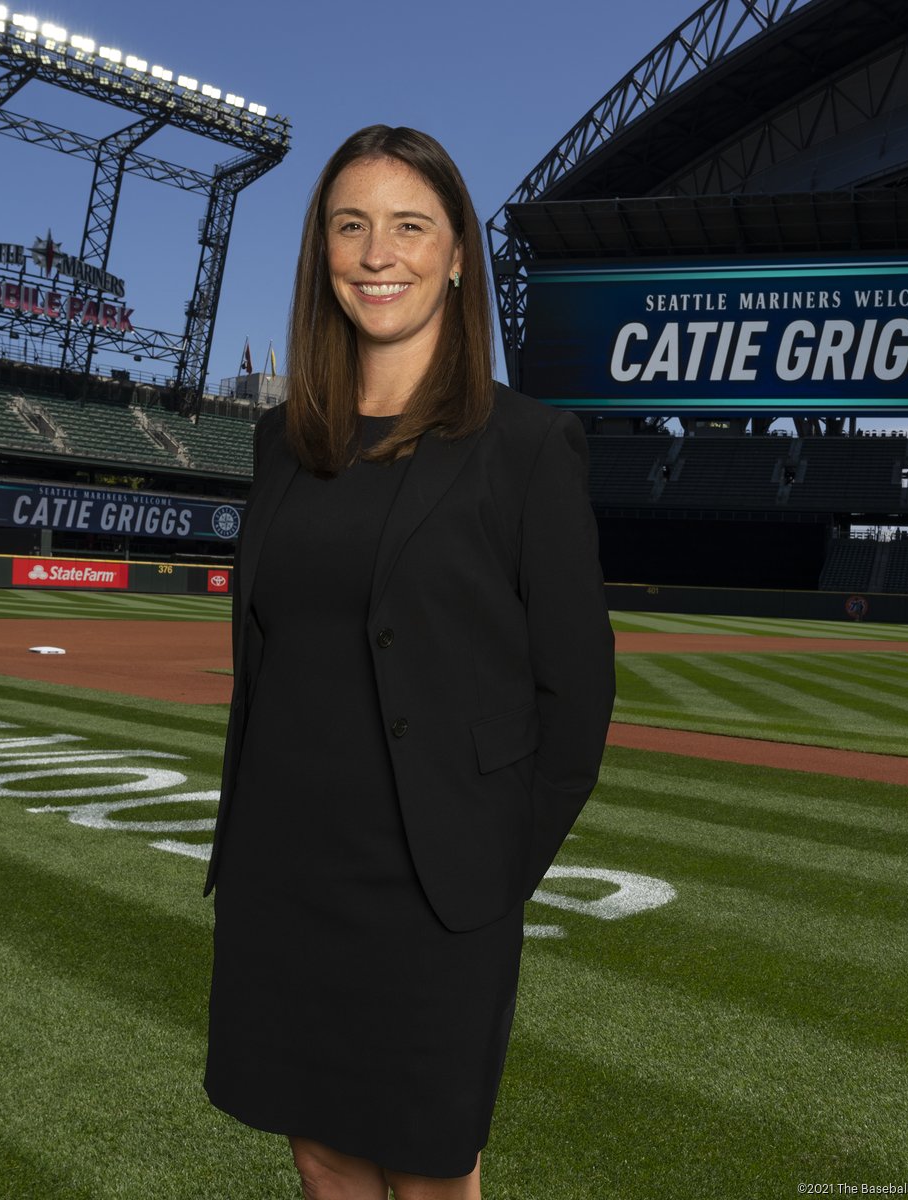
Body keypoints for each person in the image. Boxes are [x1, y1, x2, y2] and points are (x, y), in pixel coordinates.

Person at [202, 125, 616, 1200]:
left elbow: (576, 698)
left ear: (457, 255)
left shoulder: (527, 445)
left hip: (435, 887)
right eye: (351, 226)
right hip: (285, 872)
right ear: (321, 251)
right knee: (322, 1151)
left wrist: (485, 874)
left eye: (409, 226)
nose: (377, 253)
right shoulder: (281, 444)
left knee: (432, 1168)